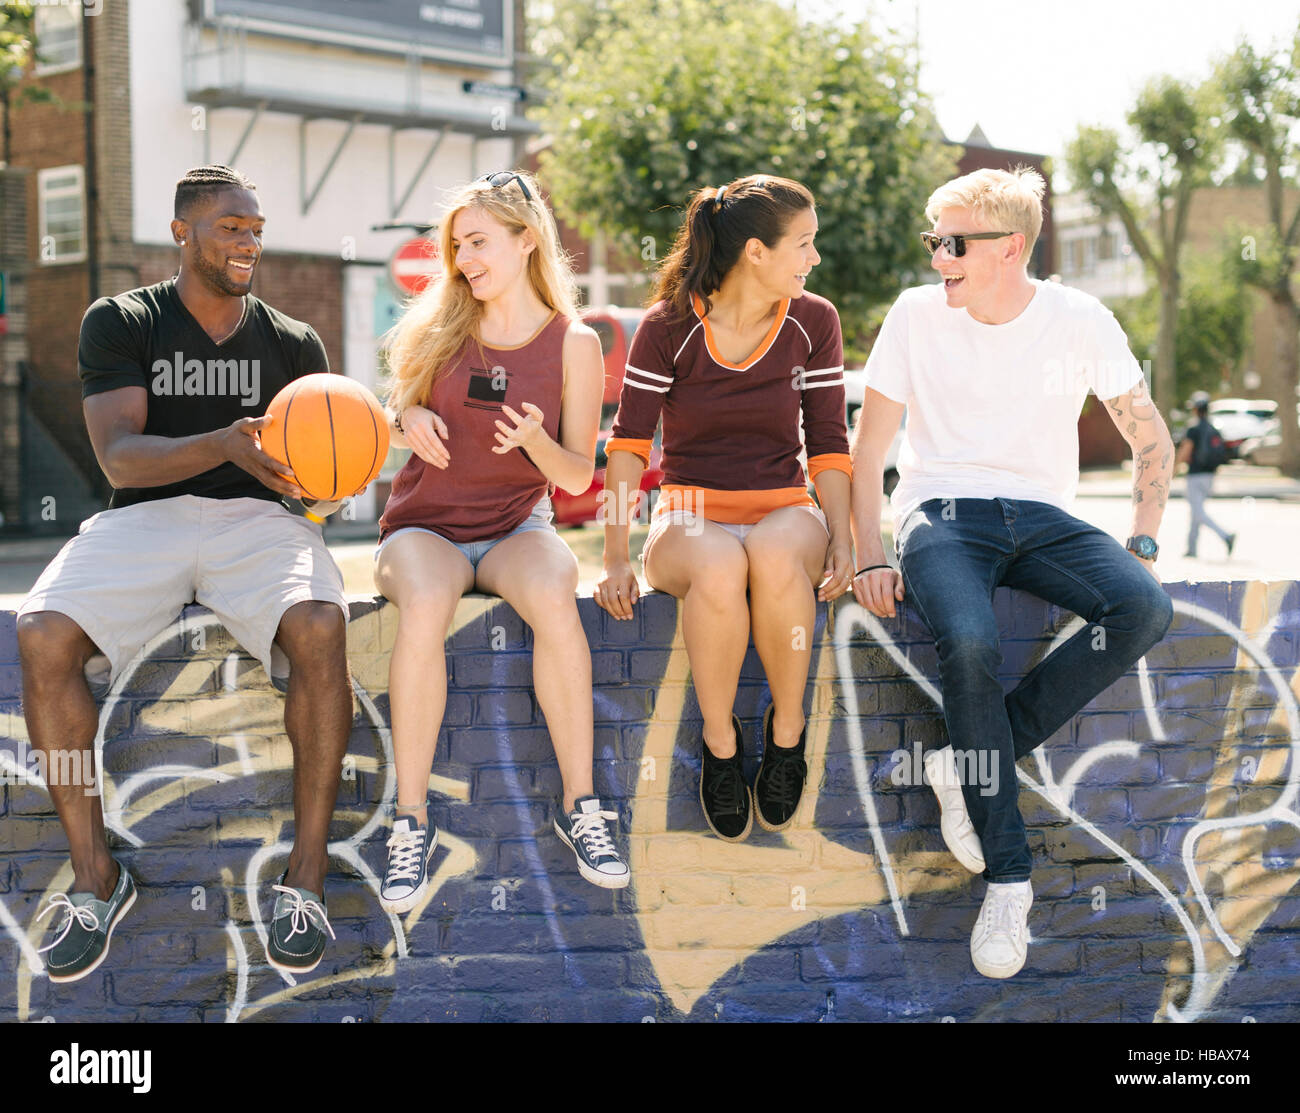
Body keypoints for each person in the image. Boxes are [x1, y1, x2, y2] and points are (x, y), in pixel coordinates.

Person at [17, 165, 353, 981]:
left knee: (320, 624)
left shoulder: (292, 341)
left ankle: (303, 884)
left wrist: (323, 483)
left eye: (255, 229)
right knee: (41, 633)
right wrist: (224, 444)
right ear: (182, 233)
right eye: (231, 228)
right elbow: (120, 458)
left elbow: (313, 474)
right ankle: (98, 880)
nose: (249, 243)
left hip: (256, 522)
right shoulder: (121, 320)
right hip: (147, 515)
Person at [850, 167, 1175, 980]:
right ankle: (1009, 877)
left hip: (1041, 515)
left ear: (1012, 248)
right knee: (967, 637)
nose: (938, 258)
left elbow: (1151, 438)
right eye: (934, 241)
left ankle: (965, 759)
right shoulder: (917, 316)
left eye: (954, 243)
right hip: (942, 512)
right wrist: (864, 551)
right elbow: (869, 456)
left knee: (1141, 607)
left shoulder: (1079, 320)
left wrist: (1141, 540)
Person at [375, 170, 629, 907]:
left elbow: (579, 474)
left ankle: (582, 807)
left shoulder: (574, 343)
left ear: (527, 241)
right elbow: (387, 422)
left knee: (555, 590)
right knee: (425, 600)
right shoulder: (436, 326)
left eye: (479, 243)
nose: (465, 261)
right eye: (457, 247)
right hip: (427, 527)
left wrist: (538, 442)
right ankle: (410, 820)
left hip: (518, 524)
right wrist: (405, 423)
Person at [595, 175, 853, 841]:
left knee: (768, 552)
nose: (813, 258)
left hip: (785, 508)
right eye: (804, 243)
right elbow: (627, 446)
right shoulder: (668, 326)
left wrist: (845, 539)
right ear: (756, 253)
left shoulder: (814, 321)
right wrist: (616, 554)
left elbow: (828, 442)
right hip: (686, 512)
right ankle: (720, 744)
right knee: (717, 563)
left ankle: (786, 735)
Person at [1177, 391, 1236, 558]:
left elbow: (1185, 451)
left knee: (1197, 512)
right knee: (1197, 511)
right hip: (1210, 475)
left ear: (1195, 409)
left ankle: (1226, 536)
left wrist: (1174, 470)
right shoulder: (1213, 428)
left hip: (1195, 475)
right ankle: (1191, 549)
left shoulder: (1193, 428)